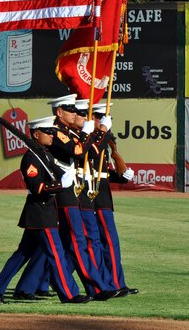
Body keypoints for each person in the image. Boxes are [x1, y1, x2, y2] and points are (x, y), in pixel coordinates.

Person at [0, 115, 90, 304]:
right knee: (55, 254)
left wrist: (68, 175)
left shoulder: (45, 155)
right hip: (41, 213)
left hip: (43, 212)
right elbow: (36, 187)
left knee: (22, 255)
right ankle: (69, 294)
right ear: (36, 134)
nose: (52, 135)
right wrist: (59, 184)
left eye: (52, 131)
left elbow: (57, 173)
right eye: (47, 132)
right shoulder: (31, 158)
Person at [46, 94, 118, 300]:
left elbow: (88, 151)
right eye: (73, 111)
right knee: (77, 241)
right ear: (59, 112)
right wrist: (100, 132)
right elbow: (82, 152)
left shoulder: (73, 132)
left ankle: (31, 284)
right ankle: (97, 286)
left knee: (66, 244)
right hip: (66, 192)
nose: (77, 115)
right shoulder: (58, 132)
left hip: (78, 190)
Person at [90, 102, 139, 297]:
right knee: (105, 242)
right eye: (100, 117)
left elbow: (104, 171)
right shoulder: (92, 139)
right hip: (93, 195)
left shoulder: (105, 140)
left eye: (106, 118)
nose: (104, 121)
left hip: (102, 194)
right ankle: (112, 284)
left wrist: (120, 176)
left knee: (109, 243)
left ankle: (116, 282)